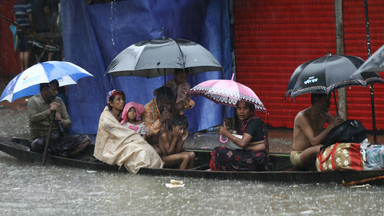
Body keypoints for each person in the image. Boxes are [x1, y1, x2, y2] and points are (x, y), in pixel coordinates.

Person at [94, 90, 164, 174]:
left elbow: (126, 135)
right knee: (141, 150)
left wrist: (138, 139)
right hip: (110, 148)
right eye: (118, 99)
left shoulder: (121, 116)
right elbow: (122, 134)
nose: (122, 102)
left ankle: (152, 168)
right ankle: (144, 170)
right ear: (111, 103)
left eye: (123, 99)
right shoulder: (106, 119)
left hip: (122, 144)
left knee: (144, 148)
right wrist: (137, 138)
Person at [28, 80, 90, 157]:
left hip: (57, 139)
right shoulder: (33, 101)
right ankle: (61, 152)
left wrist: (61, 120)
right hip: (40, 140)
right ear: (44, 90)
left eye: (57, 90)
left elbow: (69, 123)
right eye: (54, 90)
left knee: (85, 140)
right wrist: (49, 111)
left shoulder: (58, 101)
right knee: (46, 141)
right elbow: (32, 119)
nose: (56, 92)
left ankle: (66, 156)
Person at [291, 93, 344, 170]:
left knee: (332, 145)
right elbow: (313, 141)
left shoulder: (325, 115)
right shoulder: (302, 116)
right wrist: (331, 125)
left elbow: (338, 127)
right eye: (327, 100)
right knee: (319, 148)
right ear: (317, 100)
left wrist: (339, 121)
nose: (330, 103)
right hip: (298, 155)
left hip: (314, 154)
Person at [210, 101, 268, 171]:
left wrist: (227, 133)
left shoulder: (253, 122)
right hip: (250, 153)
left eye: (245, 108)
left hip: (255, 157)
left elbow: (243, 143)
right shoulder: (243, 122)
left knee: (217, 151)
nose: (241, 112)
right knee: (221, 150)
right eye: (239, 108)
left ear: (251, 110)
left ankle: (217, 174)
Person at [14, 0, 34, 72]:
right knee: (26, 50)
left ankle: (22, 69)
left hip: (19, 30)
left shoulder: (16, 5)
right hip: (26, 30)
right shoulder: (27, 5)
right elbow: (30, 18)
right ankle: (26, 69)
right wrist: (32, 28)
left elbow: (15, 19)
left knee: (22, 50)